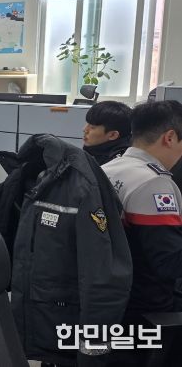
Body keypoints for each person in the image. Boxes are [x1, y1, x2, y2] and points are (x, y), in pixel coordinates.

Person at [103, 100, 182, 365]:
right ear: (169, 137)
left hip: (109, 299)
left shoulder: (108, 168)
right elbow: (169, 262)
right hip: (143, 311)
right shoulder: (153, 183)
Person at [82, 100, 132, 165]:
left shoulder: (116, 163)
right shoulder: (94, 150)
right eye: (87, 124)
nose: (84, 130)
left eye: (92, 127)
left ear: (113, 135)